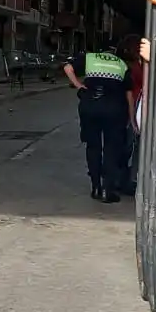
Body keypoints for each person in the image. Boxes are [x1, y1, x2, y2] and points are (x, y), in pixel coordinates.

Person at [63, 45, 135, 203]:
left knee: (93, 146)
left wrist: (78, 85)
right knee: (111, 149)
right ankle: (107, 191)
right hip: (115, 109)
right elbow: (128, 95)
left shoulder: (90, 58)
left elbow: (68, 67)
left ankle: (96, 187)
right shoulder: (121, 64)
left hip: (90, 106)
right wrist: (132, 119)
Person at [118, 34, 145, 194]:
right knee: (130, 144)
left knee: (129, 145)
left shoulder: (130, 65)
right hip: (133, 106)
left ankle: (124, 177)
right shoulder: (134, 67)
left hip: (131, 106)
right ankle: (126, 179)